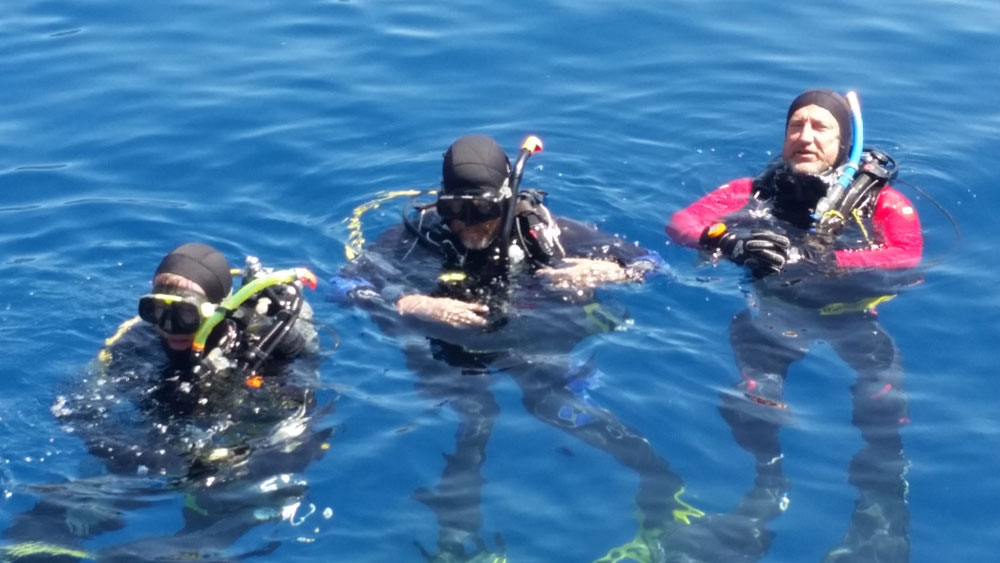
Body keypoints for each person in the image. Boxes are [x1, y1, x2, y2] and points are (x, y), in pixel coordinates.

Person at [333, 134, 695, 562]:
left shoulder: (545, 233)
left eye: (482, 209)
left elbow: (653, 263)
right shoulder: (418, 237)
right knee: (474, 414)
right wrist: (411, 303)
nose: (467, 224)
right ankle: (455, 540)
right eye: (454, 210)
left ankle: (662, 487)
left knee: (553, 404)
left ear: (506, 200)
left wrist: (608, 272)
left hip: (532, 340)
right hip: (449, 345)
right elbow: (344, 285)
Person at [666, 89, 923, 562]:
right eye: (795, 126)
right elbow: (683, 224)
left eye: (820, 127)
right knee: (752, 403)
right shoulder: (754, 192)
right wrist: (730, 243)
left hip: (850, 318)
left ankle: (882, 507)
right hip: (772, 318)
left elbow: (906, 255)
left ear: (844, 143)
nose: (805, 136)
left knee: (883, 403)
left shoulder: (881, 202)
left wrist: (827, 261)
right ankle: (766, 488)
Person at [3, 243, 331, 561]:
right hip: (158, 451)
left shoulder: (262, 349)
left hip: (238, 462)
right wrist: (129, 450)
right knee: (47, 520)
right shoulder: (140, 340)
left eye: (186, 313)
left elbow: (296, 423)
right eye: (159, 310)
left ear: (218, 309)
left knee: (186, 530)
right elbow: (80, 405)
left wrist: (234, 452)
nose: (171, 326)